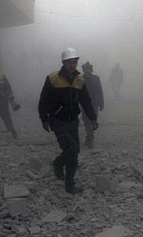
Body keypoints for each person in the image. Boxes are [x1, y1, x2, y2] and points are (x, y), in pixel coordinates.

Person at [38, 48, 99, 194]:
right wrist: (44, 119)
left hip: (73, 121)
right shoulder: (53, 78)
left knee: (73, 153)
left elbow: (86, 101)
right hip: (57, 121)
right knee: (73, 149)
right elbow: (43, 100)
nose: (72, 66)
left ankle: (70, 185)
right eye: (69, 63)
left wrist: (93, 118)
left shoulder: (79, 80)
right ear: (63, 62)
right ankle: (58, 163)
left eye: (74, 62)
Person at [81, 61, 104, 148]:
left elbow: (100, 91)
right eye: (86, 69)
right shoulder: (80, 79)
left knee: (93, 120)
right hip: (84, 104)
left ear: (91, 69)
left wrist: (101, 103)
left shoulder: (96, 78)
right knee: (86, 121)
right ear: (84, 70)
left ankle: (90, 138)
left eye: (89, 68)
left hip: (94, 103)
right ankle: (89, 135)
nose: (87, 70)